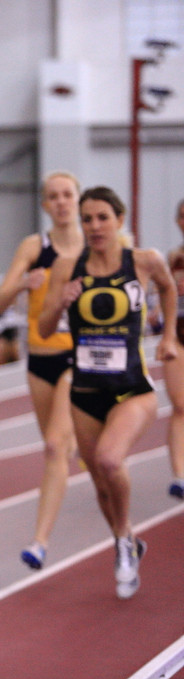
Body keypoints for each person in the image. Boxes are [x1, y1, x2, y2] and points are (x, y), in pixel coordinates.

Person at [38, 185, 179, 599]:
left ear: (120, 220)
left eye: (103, 217)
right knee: (100, 483)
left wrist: (168, 336)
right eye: (87, 219)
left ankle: (121, 543)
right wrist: (61, 302)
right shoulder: (68, 265)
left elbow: (169, 288)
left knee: (109, 459)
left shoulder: (144, 261)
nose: (95, 226)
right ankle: (127, 538)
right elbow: (44, 330)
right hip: (84, 391)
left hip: (133, 389)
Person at [0, 171, 84, 569]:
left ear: (77, 200)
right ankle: (83, 449)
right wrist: (24, 285)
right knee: (57, 447)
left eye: (67, 195)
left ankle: (39, 541)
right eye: (53, 197)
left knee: (53, 448)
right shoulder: (35, 246)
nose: (61, 202)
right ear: (45, 205)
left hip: (79, 358)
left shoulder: (95, 245)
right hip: (40, 358)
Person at [165, 198, 184, 498]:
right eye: (182, 216)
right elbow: (164, 290)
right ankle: (180, 475)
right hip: (178, 333)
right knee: (180, 405)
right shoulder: (173, 257)